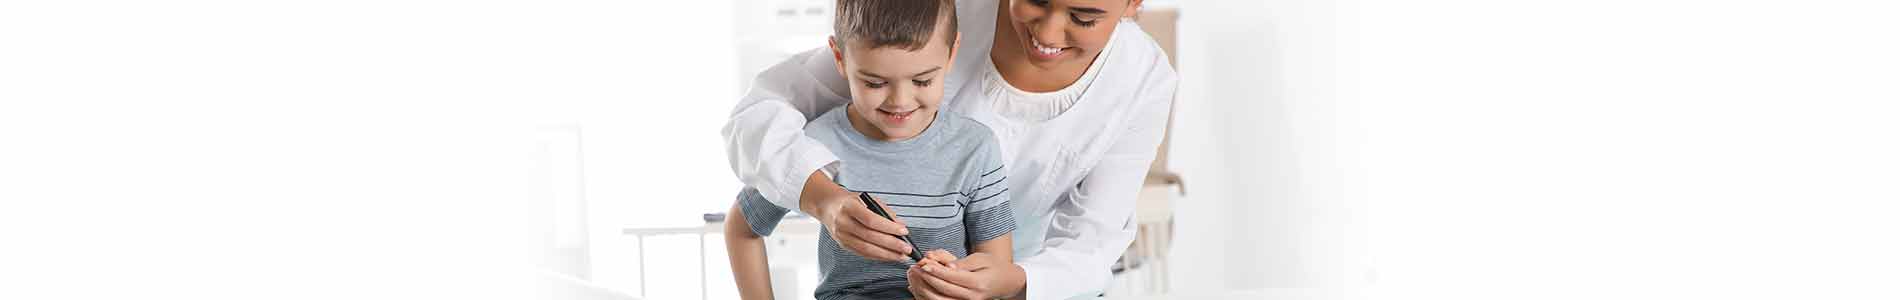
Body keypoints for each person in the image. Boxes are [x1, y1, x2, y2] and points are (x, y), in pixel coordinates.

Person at [723, 0, 1175, 298]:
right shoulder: (927, 14)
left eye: (1084, 16)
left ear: (1133, 3)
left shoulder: (1143, 81)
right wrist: (823, 199)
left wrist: (1008, 279)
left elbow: (1091, 242)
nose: (1049, 31)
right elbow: (759, 115)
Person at [721, 0, 1016, 299]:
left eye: (922, 81)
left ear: (953, 52)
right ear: (839, 57)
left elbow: (997, 276)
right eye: (875, 83)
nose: (900, 102)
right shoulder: (814, 145)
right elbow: (742, 229)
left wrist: (956, 282)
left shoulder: (976, 148)